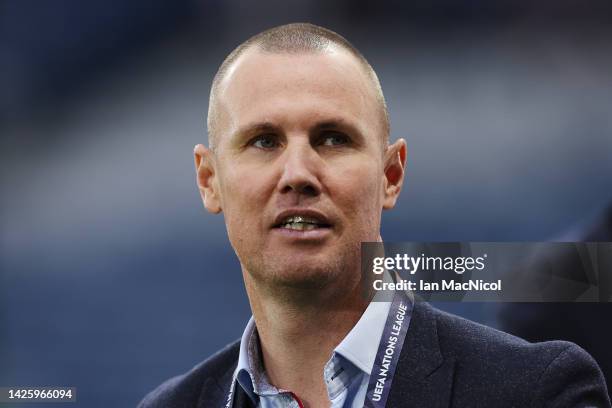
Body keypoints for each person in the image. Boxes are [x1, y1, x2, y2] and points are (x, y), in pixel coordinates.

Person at [139, 23, 610, 407]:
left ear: (391, 175)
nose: (298, 173)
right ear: (209, 180)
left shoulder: (535, 391)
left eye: (333, 139)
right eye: (264, 141)